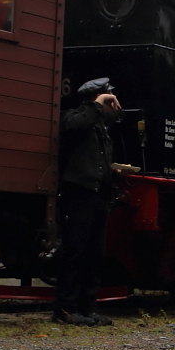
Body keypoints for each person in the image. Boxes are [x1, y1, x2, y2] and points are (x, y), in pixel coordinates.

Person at [55, 78, 122, 326]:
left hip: (98, 195)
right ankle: (65, 310)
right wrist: (96, 104)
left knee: (94, 255)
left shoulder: (100, 127)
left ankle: (87, 308)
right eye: (107, 97)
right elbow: (75, 126)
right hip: (78, 195)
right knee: (75, 252)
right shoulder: (73, 118)